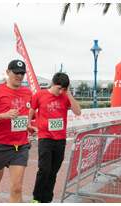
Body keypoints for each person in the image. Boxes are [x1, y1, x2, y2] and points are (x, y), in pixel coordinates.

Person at [0, 59, 32, 203]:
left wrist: (28, 126)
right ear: (8, 72)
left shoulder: (27, 92)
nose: (19, 76)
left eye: (22, 73)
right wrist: (4, 115)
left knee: (17, 187)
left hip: (20, 146)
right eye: (16, 73)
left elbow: (22, 116)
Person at [28, 72, 81, 203]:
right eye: (59, 88)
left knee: (53, 171)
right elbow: (32, 109)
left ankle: (47, 200)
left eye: (64, 89)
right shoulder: (40, 95)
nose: (60, 91)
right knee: (44, 169)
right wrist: (28, 123)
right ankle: (36, 199)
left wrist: (68, 93)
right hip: (45, 138)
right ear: (53, 83)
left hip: (60, 140)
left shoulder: (65, 96)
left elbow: (78, 112)